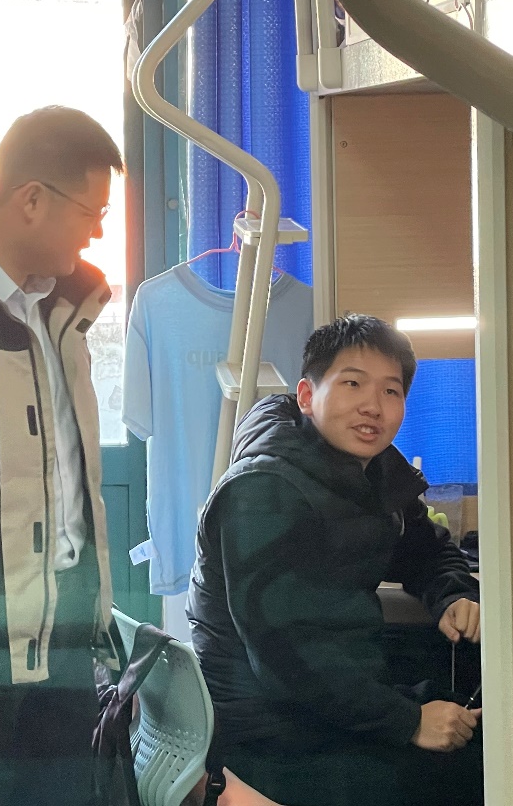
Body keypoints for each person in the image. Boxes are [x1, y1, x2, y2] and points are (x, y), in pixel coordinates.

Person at [187, 314, 483, 806]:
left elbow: (426, 549)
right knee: (481, 774)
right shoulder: (264, 491)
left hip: (329, 708)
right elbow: (288, 660)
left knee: (480, 733)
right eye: (352, 383)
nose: (373, 405)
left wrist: (451, 593)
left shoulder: (369, 471)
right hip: (273, 736)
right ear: (307, 396)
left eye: (391, 391)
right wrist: (409, 720)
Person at [0, 105, 124, 804]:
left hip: (67, 617)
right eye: (91, 211)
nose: (98, 231)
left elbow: (71, 473)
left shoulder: (64, 306)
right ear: (32, 200)